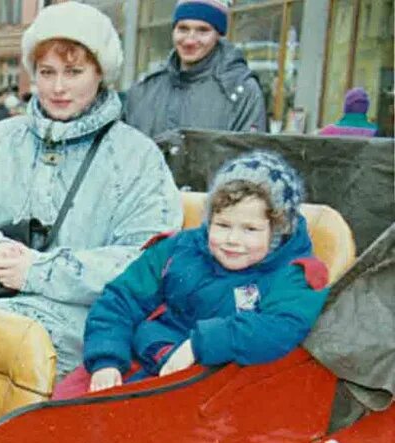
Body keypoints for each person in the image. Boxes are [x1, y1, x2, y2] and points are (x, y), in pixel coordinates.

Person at [0, 2, 182, 379]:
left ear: (100, 73)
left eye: (74, 72)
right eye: (47, 72)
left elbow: (149, 261)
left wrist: (40, 271)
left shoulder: (136, 157)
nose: (58, 87)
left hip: (83, 335)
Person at [77, 151, 327, 396]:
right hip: (152, 353)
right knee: (73, 403)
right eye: (223, 225)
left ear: (277, 232)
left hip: (225, 384)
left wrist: (201, 343)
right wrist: (106, 358)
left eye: (250, 229)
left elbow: (281, 326)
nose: (232, 240)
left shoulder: (293, 273)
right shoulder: (180, 249)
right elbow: (121, 298)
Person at [124, 0, 267, 139]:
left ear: (218, 34)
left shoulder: (241, 93)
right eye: (183, 29)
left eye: (202, 30)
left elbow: (251, 158)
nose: (190, 40)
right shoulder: (144, 90)